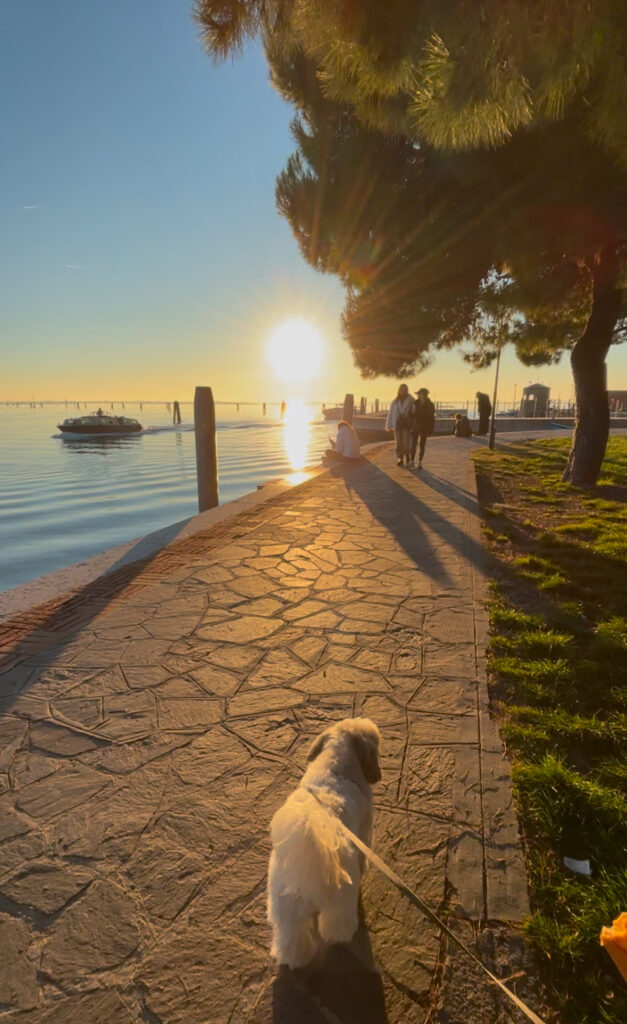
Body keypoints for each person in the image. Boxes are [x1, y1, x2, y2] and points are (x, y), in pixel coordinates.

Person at [386, 383, 414, 465]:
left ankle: (408, 457)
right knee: (398, 442)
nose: (402, 391)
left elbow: (414, 412)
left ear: (407, 390)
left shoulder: (411, 400)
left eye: (404, 389)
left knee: (406, 442)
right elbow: (391, 413)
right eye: (401, 389)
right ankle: (400, 458)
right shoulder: (395, 401)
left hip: (407, 424)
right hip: (397, 424)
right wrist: (389, 425)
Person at [411, 387, 436, 469]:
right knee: (413, 444)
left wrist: (431, 430)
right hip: (415, 426)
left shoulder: (430, 404)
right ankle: (412, 461)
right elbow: (411, 414)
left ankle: (420, 462)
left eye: (419, 394)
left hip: (424, 427)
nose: (418, 395)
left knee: (422, 444)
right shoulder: (415, 403)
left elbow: (431, 418)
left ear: (424, 395)